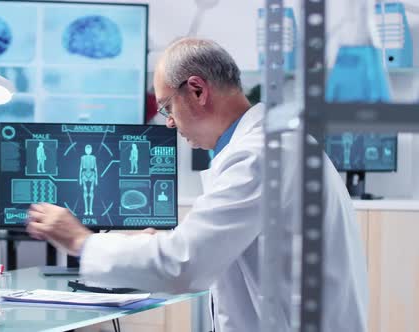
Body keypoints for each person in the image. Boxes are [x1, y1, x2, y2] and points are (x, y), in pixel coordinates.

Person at [26, 38, 368, 331]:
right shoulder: (271, 144)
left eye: (166, 107)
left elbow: (184, 266)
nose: (170, 123)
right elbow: (221, 244)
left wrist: (80, 241)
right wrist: (162, 243)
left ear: (197, 90)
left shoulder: (260, 155)